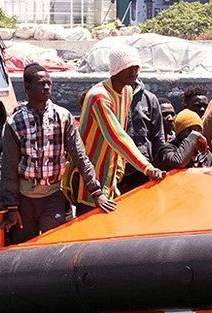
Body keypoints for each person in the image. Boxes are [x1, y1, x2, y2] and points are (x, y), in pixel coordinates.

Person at [1, 63, 111, 242]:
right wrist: (12, 208)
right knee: (22, 249)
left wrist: (96, 192)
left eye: (49, 83)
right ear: (27, 88)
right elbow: (8, 168)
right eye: (41, 83)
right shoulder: (15, 122)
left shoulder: (63, 117)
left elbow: (79, 156)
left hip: (52, 195)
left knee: (53, 245)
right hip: (24, 199)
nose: (46, 87)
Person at [69, 45, 164, 208]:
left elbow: (123, 127)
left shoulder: (127, 91)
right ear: (116, 69)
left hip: (111, 176)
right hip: (90, 177)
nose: (134, 72)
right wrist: (147, 167)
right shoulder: (99, 97)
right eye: (129, 68)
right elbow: (116, 136)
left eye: (136, 67)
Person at [121, 72, 170, 193]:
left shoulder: (150, 99)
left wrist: (157, 167)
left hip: (144, 170)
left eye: (135, 68)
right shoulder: (112, 97)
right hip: (119, 170)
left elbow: (158, 137)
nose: (132, 72)